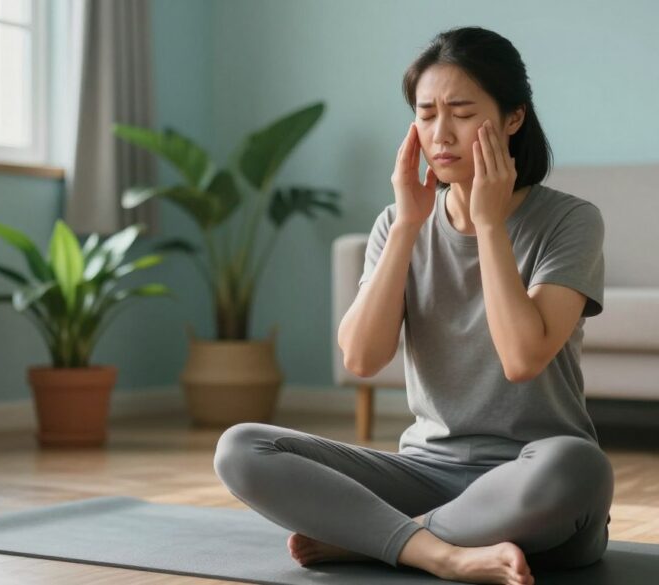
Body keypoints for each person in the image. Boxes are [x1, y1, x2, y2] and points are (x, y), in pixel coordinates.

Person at [213, 26, 613, 585]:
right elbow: (361, 358)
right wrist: (406, 224)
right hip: (425, 473)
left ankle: (379, 538)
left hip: (531, 480)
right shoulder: (397, 222)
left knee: (579, 465)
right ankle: (440, 553)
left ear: (513, 118)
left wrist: (490, 224)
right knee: (241, 448)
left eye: (462, 113)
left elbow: (522, 358)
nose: (441, 134)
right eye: (426, 115)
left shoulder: (570, 221)